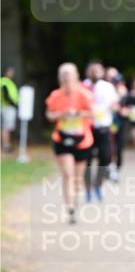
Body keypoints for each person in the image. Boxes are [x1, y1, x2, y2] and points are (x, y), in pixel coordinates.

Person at [45, 63, 94, 223]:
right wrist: (62, 114)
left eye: (69, 73)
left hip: (82, 140)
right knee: (68, 174)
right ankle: (70, 209)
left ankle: (76, 197)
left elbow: (93, 113)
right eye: (63, 73)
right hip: (62, 138)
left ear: (76, 75)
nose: (66, 76)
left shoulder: (84, 94)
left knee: (77, 177)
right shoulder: (55, 95)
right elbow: (49, 115)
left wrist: (78, 114)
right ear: (60, 77)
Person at [83, 61, 119, 202]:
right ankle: (88, 190)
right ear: (87, 72)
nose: (95, 73)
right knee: (87, 160)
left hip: (103, 127)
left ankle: (98, 185)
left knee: (105, 158)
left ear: (103, 72)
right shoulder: (83, 87)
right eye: (92, 70)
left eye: (98, 71)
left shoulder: (107, 87)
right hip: (87, 128)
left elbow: (115, 104)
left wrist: (113, 107)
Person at [1, 66, 19, 153]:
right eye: (11, 72)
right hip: (7, 107)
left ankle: (5, 145)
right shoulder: (5, 82)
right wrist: (13, 103)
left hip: (5, 107)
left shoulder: (6, 82)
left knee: (4, 127)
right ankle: (6, 145)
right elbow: (5, 94)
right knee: (6, 127)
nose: (12, 74)